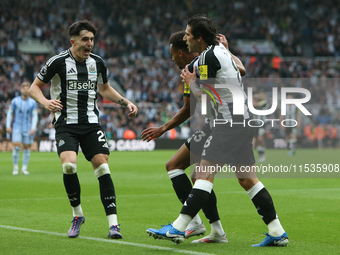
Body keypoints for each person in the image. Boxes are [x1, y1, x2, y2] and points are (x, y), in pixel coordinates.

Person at [148, 14, 289, 247]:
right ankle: (277, 232)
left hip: (228, 122)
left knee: (202, 174)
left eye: (188, 34)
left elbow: (205, 98)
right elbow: (239, 71)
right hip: (241, 120)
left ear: (199, 38)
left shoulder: (205, 58)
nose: (185, 38)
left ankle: (179, 227)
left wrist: (191, 81)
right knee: (246, 179)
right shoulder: (219, 52)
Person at [29, 20, 138, 239]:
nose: (90, 44)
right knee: (69, 166)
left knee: (103, 167)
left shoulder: (97, 62)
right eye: (85, 40)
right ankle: (78, 215)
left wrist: (126, 102)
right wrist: (45, 102)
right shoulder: (57, 62)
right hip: (65, 124)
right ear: (74, 41)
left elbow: (105, 89)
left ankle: (114, 225)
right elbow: (34, 88)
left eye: (92, 40)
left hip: (90, 124)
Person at [143, 31, 245, 243]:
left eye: (172, 54)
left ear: (181, 52)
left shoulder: (203, 62)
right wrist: (164, 127)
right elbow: (189, 108)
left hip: (226, 122)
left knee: (203, 175)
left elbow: (239, 72)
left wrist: (163, 127)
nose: (171, 59)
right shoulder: (191, 68)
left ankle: (191, 224)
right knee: (177, 166)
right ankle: (209, 228)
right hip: (217, 123)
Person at [6, 82, 38, 175]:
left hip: (28, 128)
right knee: (16, 147)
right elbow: (9, 113)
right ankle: (15, 168)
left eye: (27, 88)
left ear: (29, 90)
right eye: (24, 88)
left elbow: (35, 116)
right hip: (17, 127)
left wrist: (33, 127)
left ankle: (24, 169)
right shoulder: (15, 101)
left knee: (27, 148)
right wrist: (8, 125)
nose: (25, 90)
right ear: (21, 90)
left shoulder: (32, 102)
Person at [252, 92, 268, 162]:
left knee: (260, 139)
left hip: (262, 123)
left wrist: (254, 98)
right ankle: (259, 154)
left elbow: (254, 104)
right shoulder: (256, 101)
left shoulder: (265, 102)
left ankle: (262, 153)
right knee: (254, 140)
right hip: (254, 123)